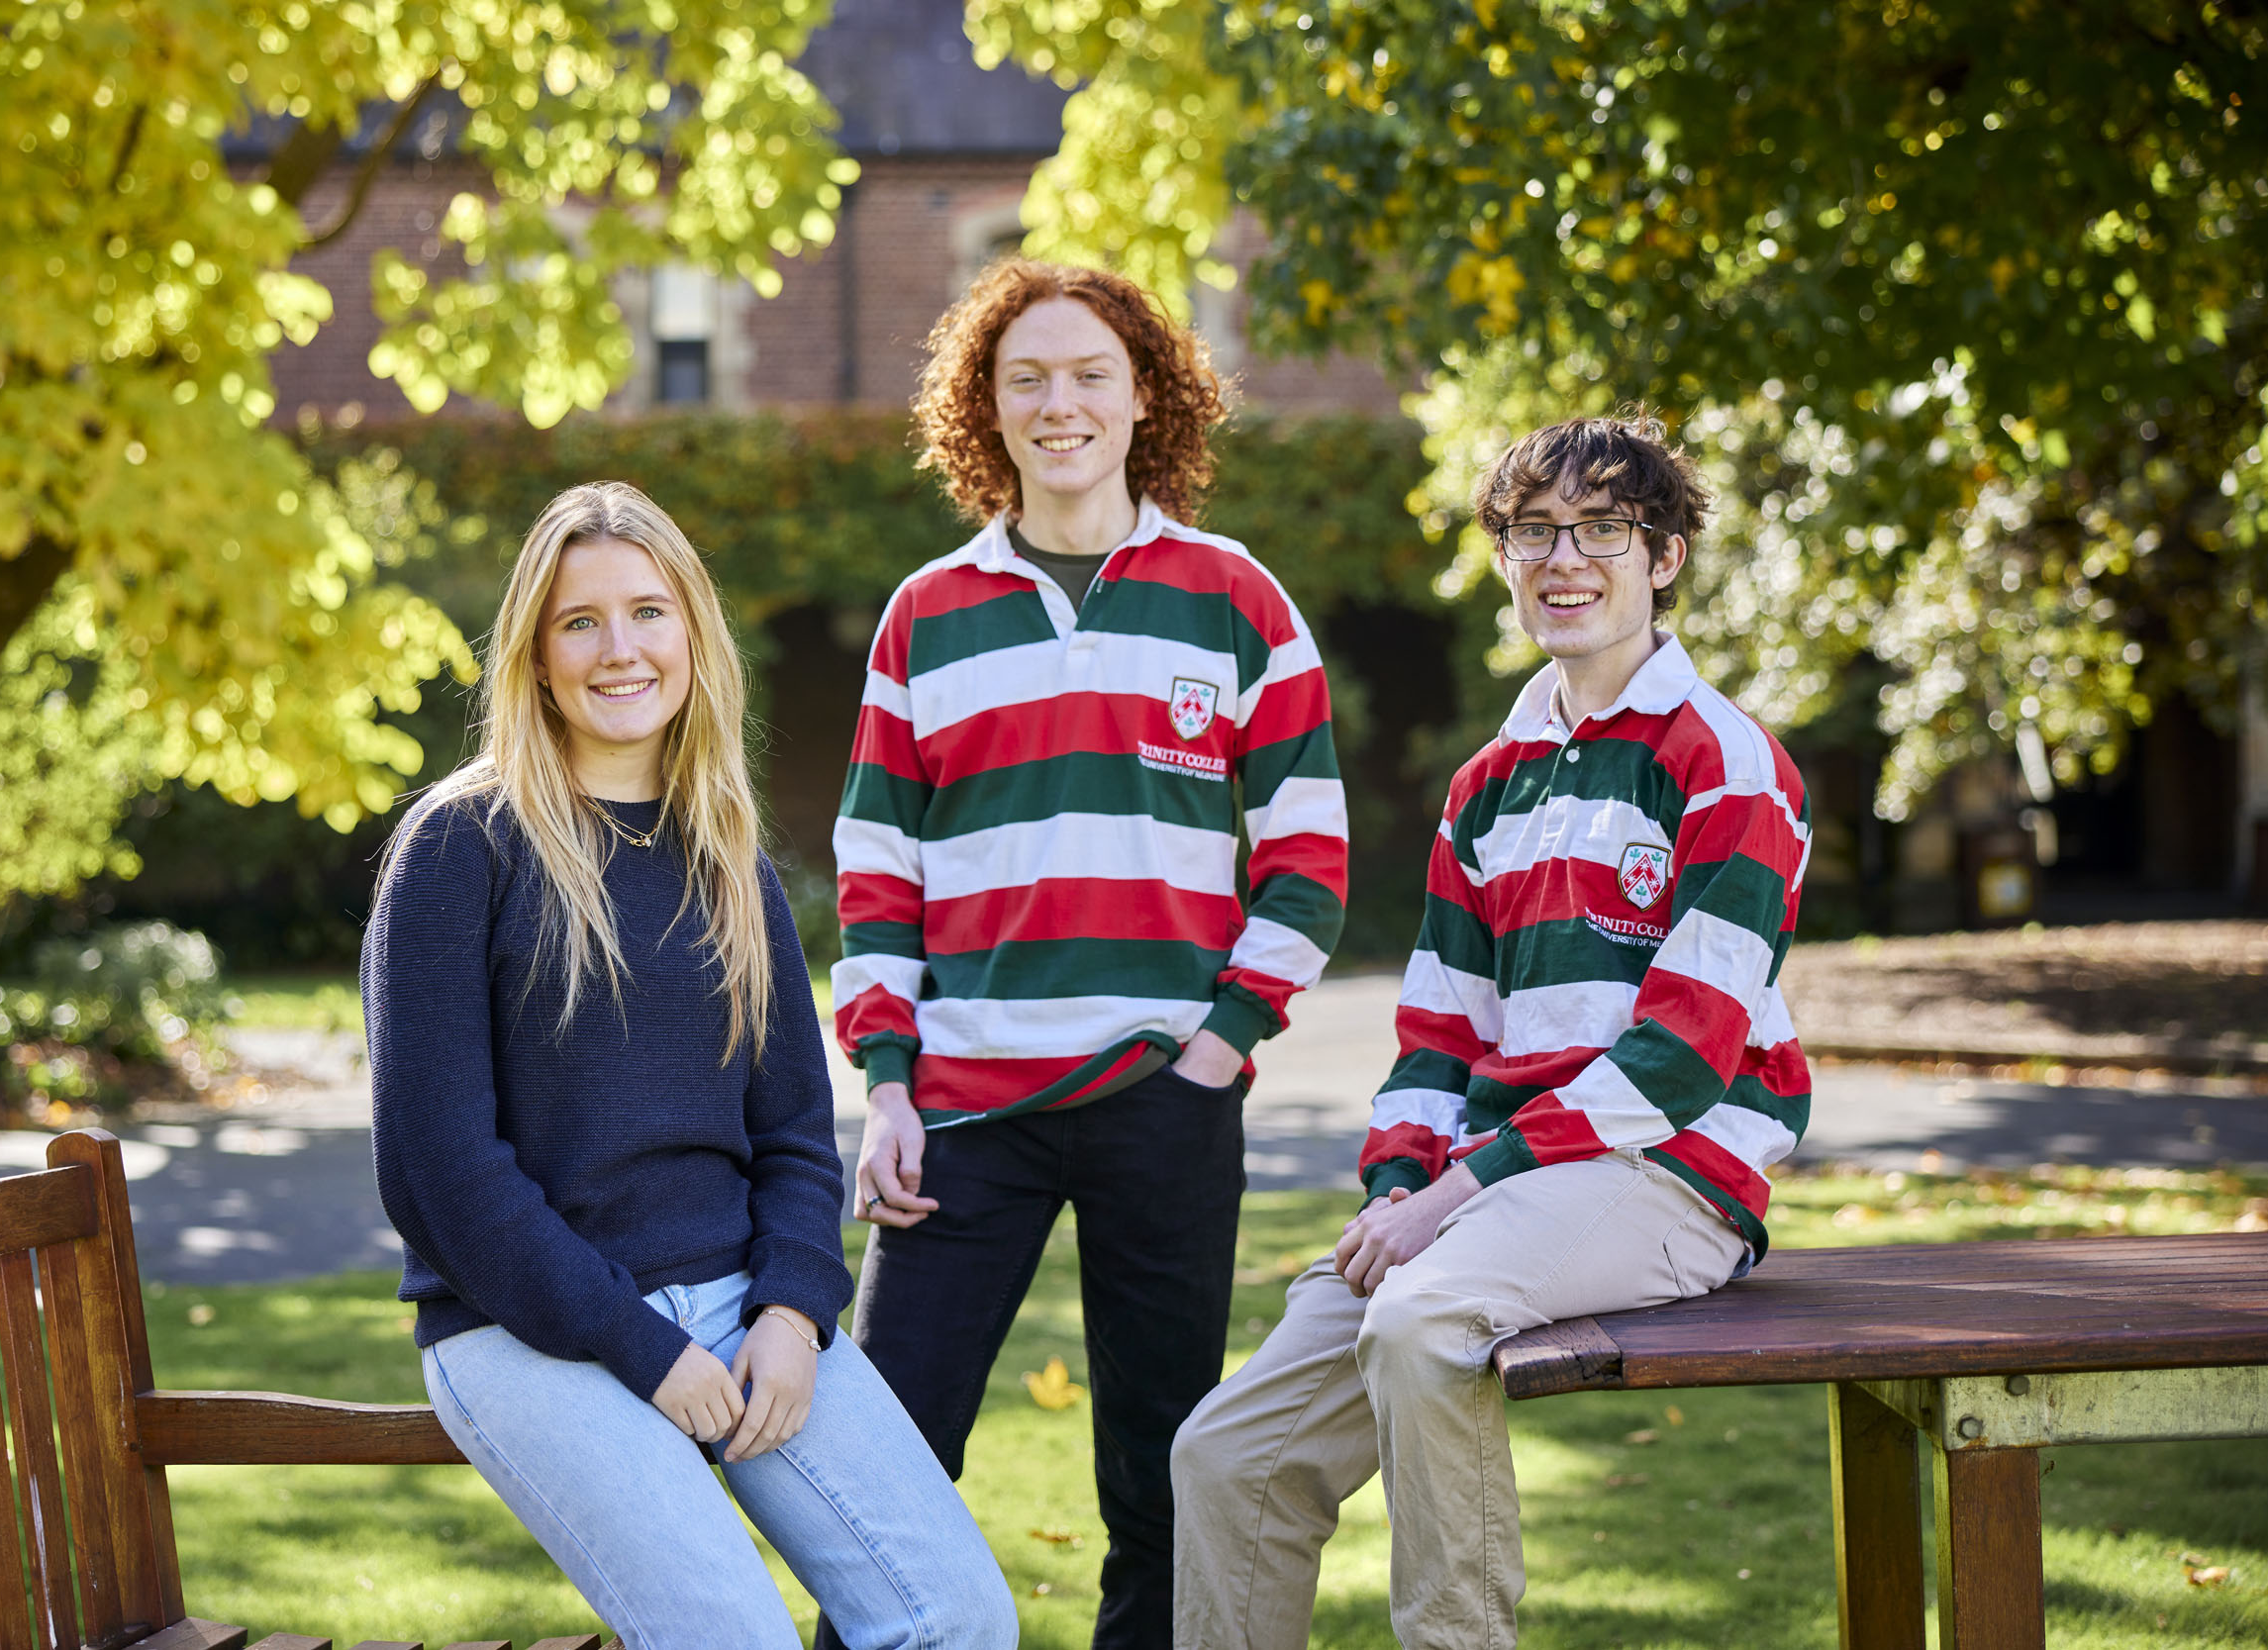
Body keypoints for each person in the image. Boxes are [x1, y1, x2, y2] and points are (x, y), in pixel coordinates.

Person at [1171, 415, 1814, 1649]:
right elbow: (1436, 1037)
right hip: (1493, 1185)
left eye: (1601, 529)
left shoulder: (1727, 762)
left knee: (1420, 1321)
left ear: (1663, 554)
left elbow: (1680, 1059)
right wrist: (1401, 1184)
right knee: (1226, 1451)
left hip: (1670, 1172)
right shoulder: (1490, 782)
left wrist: (1451, 1192)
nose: (1562, 559)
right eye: (1532, 531)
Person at [364, 482, 1016, 1650]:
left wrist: (793, 1307)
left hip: (738, 1306)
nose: (621, 648)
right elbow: (441, 1172)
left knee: (956, 1616)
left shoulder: (726, 855)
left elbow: (794, 1135)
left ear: (692, 634)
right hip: (520, 1325)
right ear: (537, 652)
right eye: (581, 621)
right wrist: (640, 1344)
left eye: (649, 612)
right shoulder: (461, 847)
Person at [826, 258, 1349, 1649]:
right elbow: (877, 869)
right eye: (1025, 379)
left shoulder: (1237, 598)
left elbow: (1310, 857)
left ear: (1144, 396)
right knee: (884, 1464)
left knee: (1163, 1471)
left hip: (1163, 1102)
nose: (1059, 403)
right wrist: (887, 1079)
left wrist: (1219, 1044)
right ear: (983, 410)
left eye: (1089, 373)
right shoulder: (926, 613)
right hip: (964, 1113)